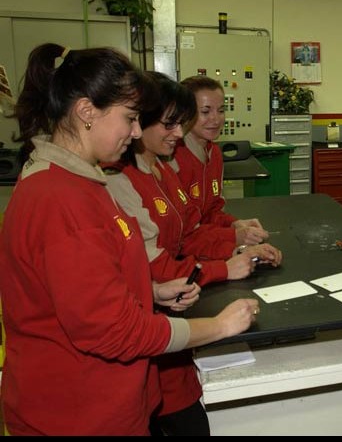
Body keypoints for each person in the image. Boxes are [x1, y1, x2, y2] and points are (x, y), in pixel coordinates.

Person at [0, 43, 260, 436]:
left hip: (105, 403)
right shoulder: (60, 199)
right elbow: (112, 330)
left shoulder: (81, 180)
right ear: (87, 112)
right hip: (77, 415)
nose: (137, 131)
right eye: (130, 118)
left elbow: (86, 284)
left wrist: (150, 291)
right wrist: (218, 327)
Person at [105, 71, 282, 436]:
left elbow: (191, 230)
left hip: (171, 311)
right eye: (171, 123)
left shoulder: (159, 169)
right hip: (150, 328)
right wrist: (224, 267)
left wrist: (235, 241)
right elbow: (157, 260)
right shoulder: (120, 180)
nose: (178, 133)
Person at [172, 75, 268, 246]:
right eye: (205, 112)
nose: (216, 119)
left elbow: (211, 211)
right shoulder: (172, 158)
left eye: (221, 110)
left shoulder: (214, 153)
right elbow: (181, 234)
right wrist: (232, 237)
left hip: (207, 245)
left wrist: (234, 224)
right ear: (185, 113)